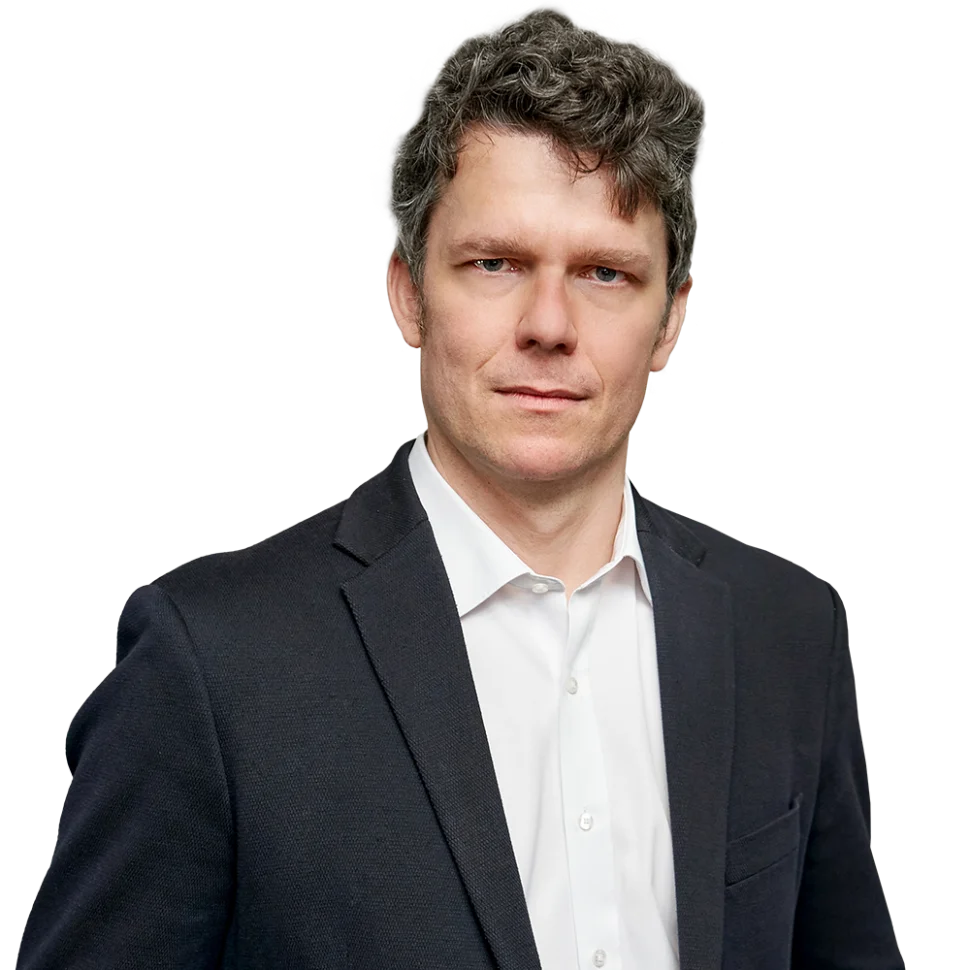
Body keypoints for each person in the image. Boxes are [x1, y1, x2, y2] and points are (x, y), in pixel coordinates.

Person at [17, 2, 900, 967]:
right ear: (408, 294)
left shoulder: (788, 631)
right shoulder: (208, 662)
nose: (549, 324)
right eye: (495, 263)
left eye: (605, 273)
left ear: (671, 319)